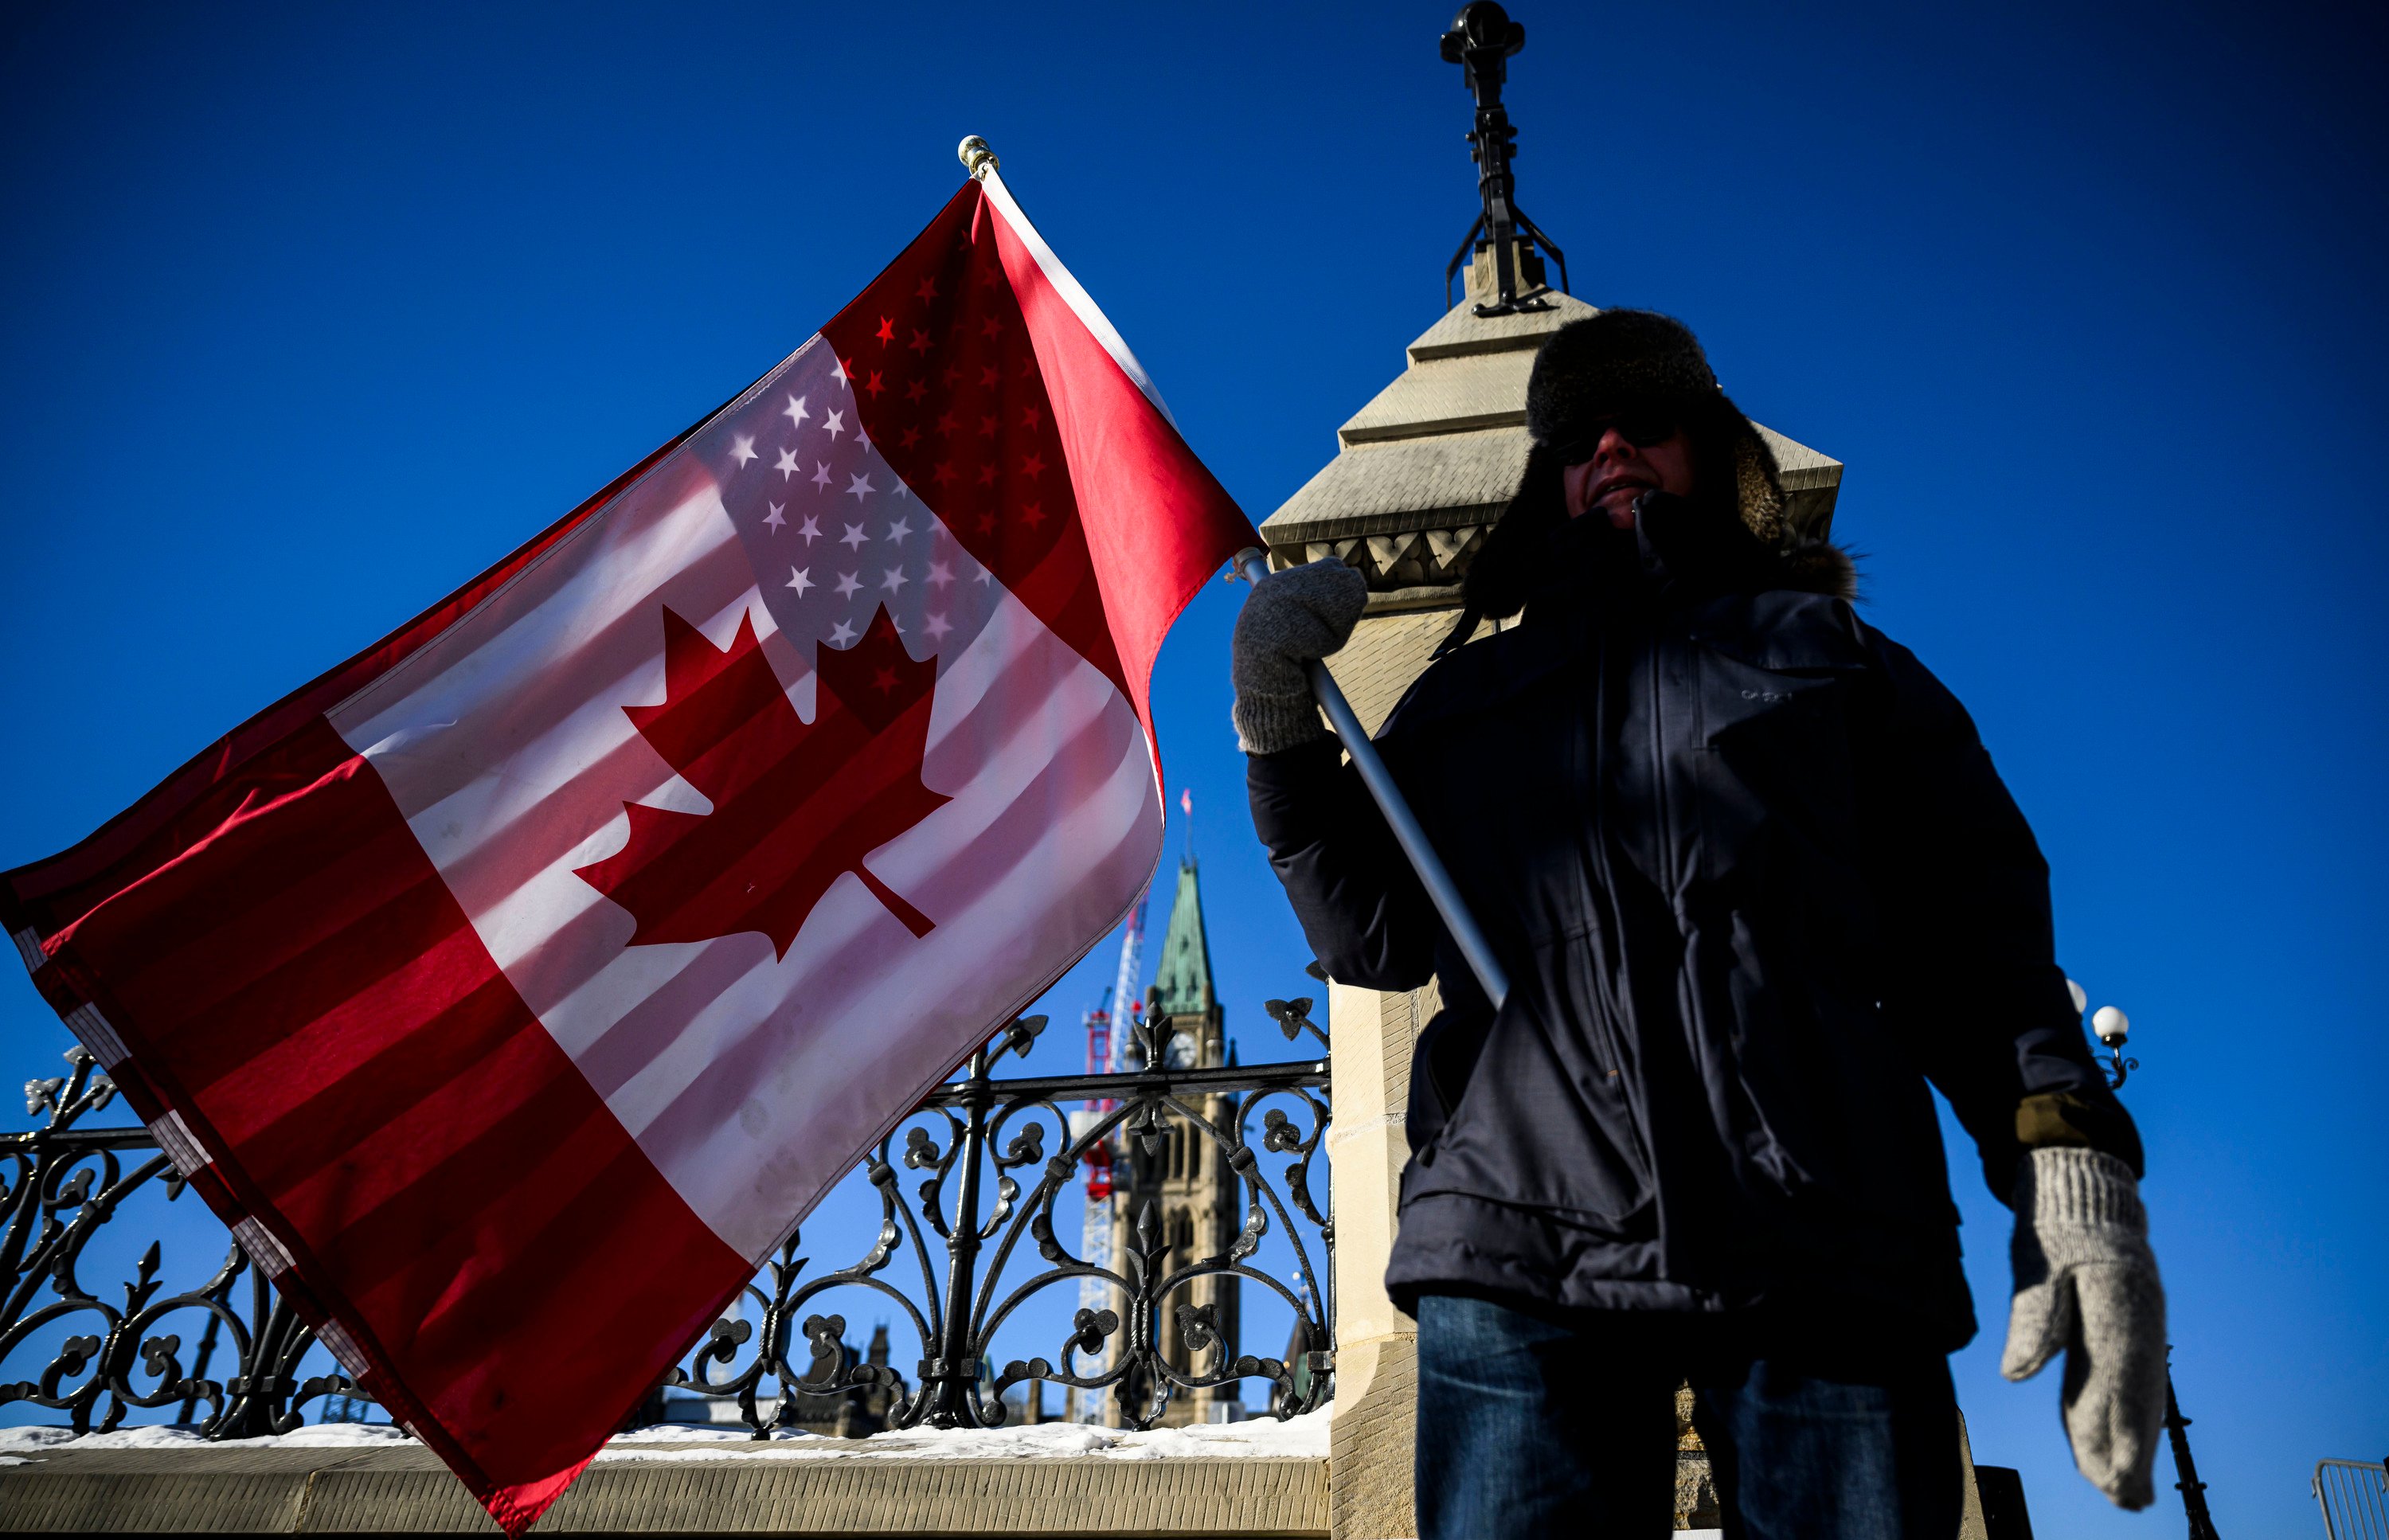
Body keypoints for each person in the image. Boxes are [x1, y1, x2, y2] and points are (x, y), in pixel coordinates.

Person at [1234, 310, 2167, 1538]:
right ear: (1547, 476)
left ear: (1713, 447)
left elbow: (1974, 928)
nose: (1610, 443)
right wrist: (1281, 737)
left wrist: (2067, 1159)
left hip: (1823, 1234)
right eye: (1574, 431)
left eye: (1646, 416)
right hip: (1521, 1246)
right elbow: (1371, 931)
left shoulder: (1832, 659)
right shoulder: (1464, 695)